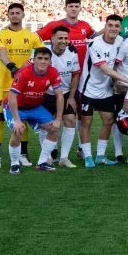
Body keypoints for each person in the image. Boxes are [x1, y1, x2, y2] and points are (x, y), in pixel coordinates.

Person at [0, 2, 43, 170]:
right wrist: (12, 66)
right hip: (4, 84)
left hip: (24, 86)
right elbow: (1, 51)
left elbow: (43, 52)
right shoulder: (1, 34)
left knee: (23, 119)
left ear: (23, 15)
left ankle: (23, 154)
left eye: (17, 12)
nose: (14, 15)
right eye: (11, 13)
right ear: (8, 15)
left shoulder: (31, 35)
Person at [79, 15, 128, 167]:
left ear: (121, 28)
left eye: (116, 26)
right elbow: (105, 69)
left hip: (106, 89)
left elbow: (118, 63)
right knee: (87, 122)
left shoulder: (120, 41)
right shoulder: (94, 44)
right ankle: (87, 157)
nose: (113, 28)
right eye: (110, 25)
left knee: (108, 121)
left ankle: (100, 156)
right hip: (89, 89)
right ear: (105, 27)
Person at [4, 47, 63, 173]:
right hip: (15, 107)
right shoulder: (23, 73)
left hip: (35, 107)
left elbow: (59, 95)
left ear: (50, 61)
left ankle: (42, 162)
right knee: (18, 130)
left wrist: (58, 119)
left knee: (54, 128)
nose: (43, 61)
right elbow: (12, 96)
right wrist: (17, 120)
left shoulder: (53, 72)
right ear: (34, 60)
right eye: (40, 58)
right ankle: (14, 164)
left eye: (46, 59)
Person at [42, 25, 81, 167]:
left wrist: (71, 97)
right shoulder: (43, 52)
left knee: (70, 120)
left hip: (64, 93)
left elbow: (75, 74)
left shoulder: (72, 52)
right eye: (60, 38)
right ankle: (46, 156)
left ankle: (64, 158)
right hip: (45, 94)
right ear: (52, 39)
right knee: (46, 125)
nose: (63, 41)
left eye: (66, 38)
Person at [36, 0, 95, 66]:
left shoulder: (85, 25)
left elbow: (96, 35)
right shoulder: (54, 25)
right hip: (59, 69)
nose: (74, 9)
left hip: (82, 71)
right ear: (65, 8)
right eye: (71, 6)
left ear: (80, 9)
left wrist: (108, 29)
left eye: (76, 7)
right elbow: (33, 38)